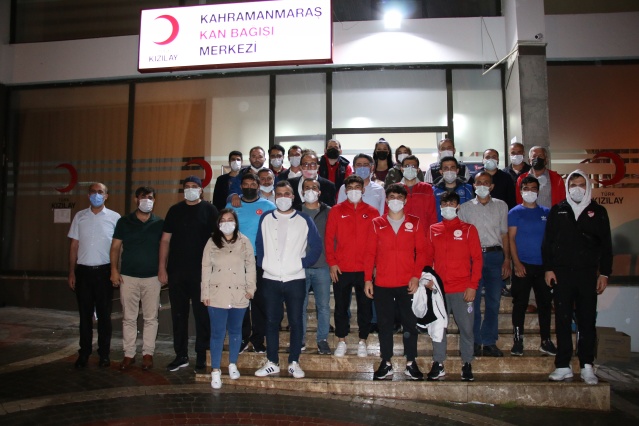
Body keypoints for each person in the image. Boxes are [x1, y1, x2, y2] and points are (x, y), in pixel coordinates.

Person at [544, 170, 612, 385]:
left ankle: (587, 366)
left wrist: (604, 273)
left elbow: (606, 245)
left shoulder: (598, 211)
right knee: (562, 319)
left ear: (588, 187)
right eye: (573, 185)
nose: (577, 189)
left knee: (587, 320)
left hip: (587, 274)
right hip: (562, 273)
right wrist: (548, 269)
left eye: (581, 184)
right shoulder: (558, 210)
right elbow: (548, 242)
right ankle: (563, 365)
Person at [254, 181, 322, 379]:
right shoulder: (266, 218)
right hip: (270, 278)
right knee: (271, 321)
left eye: (287, 193)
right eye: (279, 194)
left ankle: (294, 361)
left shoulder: (303, 219)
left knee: (295, 321)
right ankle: (272, 362)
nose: (283, 197)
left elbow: (317, 246)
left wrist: (302, 263)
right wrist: (264, 263)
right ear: (275, 196)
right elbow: (259, 243)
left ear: (293, 196)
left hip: (295, 279)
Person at [364, 184, 427, 380]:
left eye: (399, 197)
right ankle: (386, 362)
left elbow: (422, 252)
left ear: (405, 200)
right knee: (385, 324)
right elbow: (370, 253)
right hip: (383, 283)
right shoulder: (377, 223)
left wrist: (416, 276)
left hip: (408, 283)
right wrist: (368, 279)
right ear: (387, 199)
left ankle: (411, 362)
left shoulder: (415, 222)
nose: (396, 201)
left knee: (410, 324)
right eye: (392, 197)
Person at [159, 175, 219, 373]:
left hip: (202, 272)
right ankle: (181, 355)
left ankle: (202, 354)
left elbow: (217, 241)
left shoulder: (210, 210)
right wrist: (162, 267)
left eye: (194, 186)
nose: (191, 189)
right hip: (177, 272)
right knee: (178, 315)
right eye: (187, 186)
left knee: (202, 316)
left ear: (201, 190)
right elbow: (165, 240)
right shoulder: (174, 211)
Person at [425, 191, 482, 381]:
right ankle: (438, 362)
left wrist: (473, 285)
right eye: (444, 204)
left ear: (458, 206)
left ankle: (467, 363)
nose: (448, 207)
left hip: (462, 288)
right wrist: (428, 279)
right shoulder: (433, 229)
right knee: (438, 328)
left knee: (466, 328)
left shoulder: (468, 229)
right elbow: (427, 258)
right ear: (440, 206)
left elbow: (477, 259)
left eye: (451, 204)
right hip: (439, 290)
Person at [110, 186, 164, 371]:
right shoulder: (124, 222)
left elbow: (165, 247)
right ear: (136, 200)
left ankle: (148, 354)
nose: (146, 200)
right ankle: (129, 354)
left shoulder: (160, 223)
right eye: (143, 197)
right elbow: (115, 247)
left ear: (154, 200)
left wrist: (164, 271)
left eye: (150, 197)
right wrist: (114, 270)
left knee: (151, 318)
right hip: (128, 277)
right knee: (128, 318)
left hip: (153, 278)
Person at [325, 175, 380, 358]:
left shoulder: (372, 212)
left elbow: (376, 242)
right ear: (345, 190)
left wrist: (374, 266)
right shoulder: (336, 210)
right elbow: (329, 238)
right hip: (342, 268)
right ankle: (341, 340)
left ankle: (363, 340)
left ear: (363, 190)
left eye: (357, 187)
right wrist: (332, 262)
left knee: (365, 306)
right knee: (341, 306)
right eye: (350, 187)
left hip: (365, 269)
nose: (354, 190)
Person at [201, 209, 256, 389]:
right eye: (223, 220)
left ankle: (233, 364)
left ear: (236, 222)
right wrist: (205, 293)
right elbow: (205, 268)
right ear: (218, 223)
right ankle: (215, 370)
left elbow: (251, 266)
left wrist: (251, 288)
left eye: (230, 219)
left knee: (235, 331)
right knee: (217, 333)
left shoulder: (245, 241)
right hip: (217, 294)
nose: (226, 223)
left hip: (239, 293)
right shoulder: (212, 242)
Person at [67, 182, 120, 368]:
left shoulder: (115, 217)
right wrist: (71, 272)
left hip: (104, 272)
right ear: (88, 195)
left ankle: (104, 354)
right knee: (85, 316)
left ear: (106, 196)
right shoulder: (79, 216)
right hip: (83, 273)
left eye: (100, 192)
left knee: (104, 316)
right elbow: (74, 246)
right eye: (93, 192)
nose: (96, 195)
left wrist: (115, 270)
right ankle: (84, 353)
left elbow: (118, 247)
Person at [459, 171, 511, 357]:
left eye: (486, 182)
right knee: (471, 302)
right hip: (473, 258)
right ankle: (473, 340)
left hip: (495, 256)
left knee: (493, 301)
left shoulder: (501, 206)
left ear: (492, 186)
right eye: (478, 182)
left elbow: (504, 234)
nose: (482, 185)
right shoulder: (464, 208)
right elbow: (461, 238)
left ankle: (489, 341)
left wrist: (507, 259)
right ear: (473, 185)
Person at [226, 173, 276, 354]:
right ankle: (242, 337)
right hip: (237, 259)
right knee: (240, 300)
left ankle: (258, 339)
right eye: (245, 184)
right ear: (240, 187)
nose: (249, 187)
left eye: (252, 184)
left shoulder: (269, 206)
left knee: (259, 300)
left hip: (260, 259)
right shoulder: (231, 206)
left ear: (258, 186)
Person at [508, 176, 556, 356]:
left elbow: (551, 240)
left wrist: (551, 266)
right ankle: (517, 340)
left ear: (538, 191)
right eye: (526, 188)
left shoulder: (547, 212)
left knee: (545, 304)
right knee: (520, 304)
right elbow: (511, 239)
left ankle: (546, 340)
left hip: (543, 266)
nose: (529, 191)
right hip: (523, 265)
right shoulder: (514, 212)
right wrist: (516, 263)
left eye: (533, 188)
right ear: (521, 191)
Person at [299, 177, 333, 355]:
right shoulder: (295, 212)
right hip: (300, 267)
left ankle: (322, 340)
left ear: (319, 192)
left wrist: (332, 262)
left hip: (322, 265)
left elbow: (334, 238)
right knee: (300, 306)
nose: (310, 190)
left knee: (323, 306)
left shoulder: (329, 212)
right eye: (307, 187)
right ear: (302, 191)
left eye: (314, 187)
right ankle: (300, 340)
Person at [396, 155, 437, 234]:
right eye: (406, 166)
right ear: (402, 169)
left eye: (413, 166)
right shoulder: (395, 188)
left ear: (418, 170)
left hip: (423, 233)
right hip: (401, 233)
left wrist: (431, 233)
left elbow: (432, 214)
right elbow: (388, 213)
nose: (410, 168)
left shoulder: (427, 188)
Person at [432, 156, 474, 221]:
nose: (449, 171)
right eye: (446, 168)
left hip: (463, 226)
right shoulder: (433, 191)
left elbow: (473, 211)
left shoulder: (468, 189)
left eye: (452, 168)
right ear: (441, 171)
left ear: (457, 171)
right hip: (441, 226)